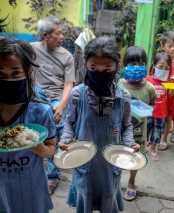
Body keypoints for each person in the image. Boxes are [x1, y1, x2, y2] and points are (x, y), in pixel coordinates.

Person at [0, 38, 56, 212]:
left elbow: (51, 149)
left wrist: (40, 149)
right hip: (2, 190)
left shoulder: (42, 111)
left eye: (16, 73)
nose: (8, 79)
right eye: (0, 73)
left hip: (33, 189)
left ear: (29, 71)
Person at [58, 37, 140, 213]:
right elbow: (70, 122)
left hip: (110, 168)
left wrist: (130, 144)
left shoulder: (123, 97)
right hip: (85, 166)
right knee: (85, 202)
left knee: (108, 203)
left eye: (107, 69)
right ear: (86, 65)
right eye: (94, 68)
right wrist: (65, 140)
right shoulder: (77, 94)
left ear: (116, 67)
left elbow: (126, 126)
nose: (100, 72)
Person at [31, 16, 75, 193]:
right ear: (45, 35)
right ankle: (31, 169)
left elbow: (69, 84)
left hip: (56, 96)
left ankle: (52, 176)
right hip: (35, 95)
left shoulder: (67, 56)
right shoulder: (30, 50)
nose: (62, 36)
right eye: (58, 33)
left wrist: (62, 105)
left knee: (55, 125)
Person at [118, 46, 156, 201]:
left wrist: (147, 110)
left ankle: (132, 181)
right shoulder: (120, 84)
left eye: (140, 64)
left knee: (135, 157)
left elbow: (153, 105)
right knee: (118, 155)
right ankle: (115, 181)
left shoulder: (149, 88)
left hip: (139, 131)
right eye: (132, 63)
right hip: (120, 130)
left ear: (146, 65)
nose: (136, 67)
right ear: (124, 65)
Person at [146, 52, 173, 158]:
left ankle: (153, 149)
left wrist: (173, 89)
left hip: (161, 113)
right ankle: (143, 148)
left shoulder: (168, 80)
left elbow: (170, 95)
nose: (163, 69)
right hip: (148, 112)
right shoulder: (148, 79)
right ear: (154, 65)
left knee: (157, 133)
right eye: (161, 66)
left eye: (166, 67)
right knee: (145, 131)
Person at [156, 31, 174, 150]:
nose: (173, 49)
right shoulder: (158, 59)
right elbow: (151, 75)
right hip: (158, 94)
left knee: (168, 117)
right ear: (162, 46)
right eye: (170, 46)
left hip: (171, 94)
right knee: (155, 116)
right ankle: (154, 138)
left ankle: (164, 139)